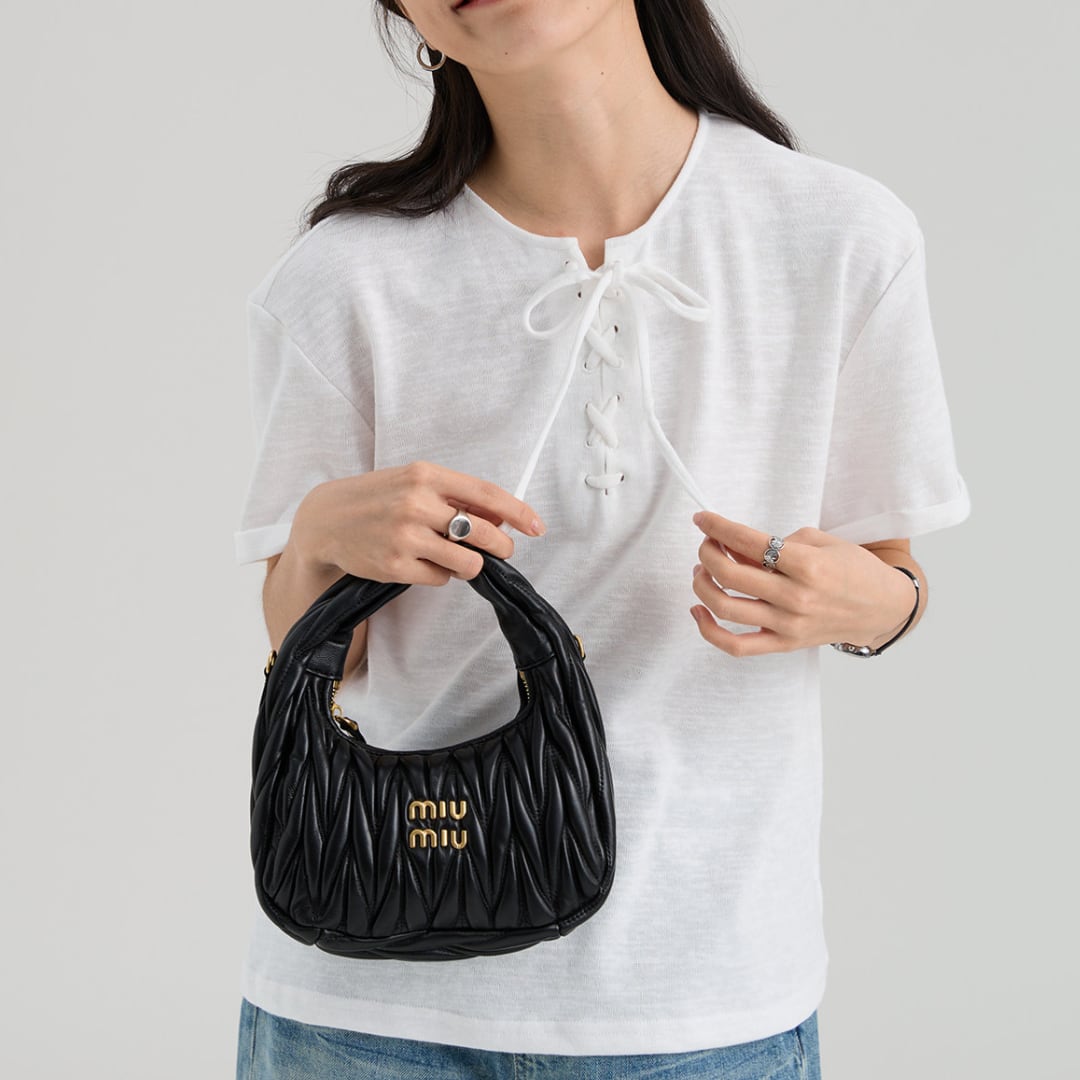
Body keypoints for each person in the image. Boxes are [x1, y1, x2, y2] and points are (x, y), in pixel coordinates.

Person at [231, 1, 971, 1076]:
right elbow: (318, 659)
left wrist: (873, 605)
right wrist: (314, 544)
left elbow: (892, 575)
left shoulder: (841, 238)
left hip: (703, 1003)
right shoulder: (344, 275)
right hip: (367, 996)